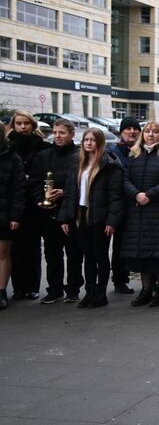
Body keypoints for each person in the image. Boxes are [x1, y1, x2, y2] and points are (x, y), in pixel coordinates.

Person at [59, 128, 123, 309]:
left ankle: (101, 293)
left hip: (100, 217)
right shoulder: (77, 163)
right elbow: (69, 192)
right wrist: (65, 218)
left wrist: (112, 221)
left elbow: (115, 197)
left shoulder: (109, 165)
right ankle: (89, 291)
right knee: (88, 256)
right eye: (86, 140)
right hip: (80, 215)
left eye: (92, 140)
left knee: (100, 256)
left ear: (100, 143)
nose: (88, 143)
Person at [121, 121, 159, 307]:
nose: (150, 135)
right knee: (143, 254)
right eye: (147, 131)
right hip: (138, 212)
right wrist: (136, 194)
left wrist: (150, 195)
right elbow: (124, 179)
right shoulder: (134, 154)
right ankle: (146, 290)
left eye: (155, 132)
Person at [32, 119, 83, 304]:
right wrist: (40, 200)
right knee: (52, 254)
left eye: (62, 132)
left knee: (74, 253)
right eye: (55, 132)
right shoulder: (43, 155)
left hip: (70, 212)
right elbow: (35, 181)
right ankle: (54, 289)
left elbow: (83, 183)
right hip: (48, 212)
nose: (58, 136)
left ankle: (73, 289)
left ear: (72, 134)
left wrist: (65, 192)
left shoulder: (80, 155)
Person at [6, 110, 49, 301]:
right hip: (13, 202)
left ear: (33, 125)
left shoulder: (41, 147)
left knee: (32, 246)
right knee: (15, 248)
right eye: (19, 123)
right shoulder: (8, 146)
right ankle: (18, 287)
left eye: (26, 123)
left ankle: (32, 286)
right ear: (14, 125)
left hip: (34, 202)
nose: (23, 127)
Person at [107, 117, 142, 295]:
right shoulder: (112, 152)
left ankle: (124, 278)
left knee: (128, 245)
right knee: (114, 245)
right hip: (115, 204)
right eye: (128, 128)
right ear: (121, 132)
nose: (132, 132)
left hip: (136, 204)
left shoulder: (142, 151)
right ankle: (113, 280)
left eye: (135, 129)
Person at [0, 122, 26, 310]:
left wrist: (15, 216)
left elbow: (19, 189)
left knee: (3, 253)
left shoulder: (11, 157)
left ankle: (1, 291)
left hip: (4, 213)